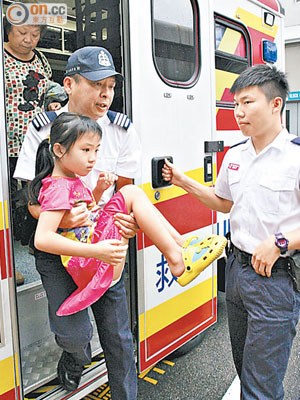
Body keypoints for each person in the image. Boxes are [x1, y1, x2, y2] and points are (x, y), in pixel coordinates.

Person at [162, 64, 300, 400]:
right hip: (237, 272)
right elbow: (223, 202)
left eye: (247, 103)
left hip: (275, 279)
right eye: (235, 104)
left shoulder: (296, 156)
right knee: (244, 369)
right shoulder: (235, 155)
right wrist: (182, 181)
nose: (238, 112)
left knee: (260, 386)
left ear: (275, 105)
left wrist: (281, 242)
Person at [13, 46, 141, 398]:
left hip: (103, 246)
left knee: (118, 338)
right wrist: (65, 216)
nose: (106, 94)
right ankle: (73, 359)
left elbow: (124, 195)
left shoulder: (121, 131)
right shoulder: (43, 132)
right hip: (58, 253)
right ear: (69, 84)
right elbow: (30, 205)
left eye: (112, 86)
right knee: (75, 338)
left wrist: (125, 228)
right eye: (97, 84)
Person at [29, 111, 226, 317]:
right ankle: (177, 258)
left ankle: (182, 248)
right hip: (92, 262)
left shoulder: (70, 180)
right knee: (131, 192)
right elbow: (43, 238)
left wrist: (97, 190)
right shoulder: (58, 187)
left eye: (96, 150)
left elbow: (87, 215)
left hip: (95, 258)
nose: (93, 158)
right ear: (59, 150)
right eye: (86, 150)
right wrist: (96, 251)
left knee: (133, 193)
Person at [4, 15, 52, 284]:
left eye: (34, 34)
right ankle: (10, 264)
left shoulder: (42, 60)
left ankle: (41, 248)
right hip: (6, 146)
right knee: (8, 206)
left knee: (36, 197)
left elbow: (50, 92)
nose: (28, 40)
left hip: (37, 143)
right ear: (9, 30)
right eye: (22, 33)